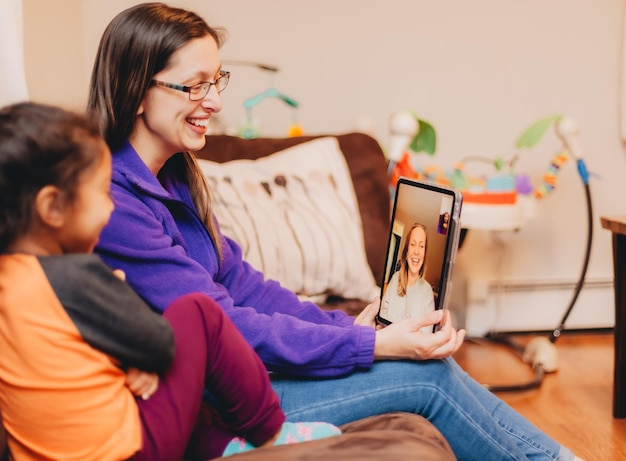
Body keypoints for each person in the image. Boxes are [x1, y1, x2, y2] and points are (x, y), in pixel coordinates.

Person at [88, 3, 583, 460]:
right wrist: (369, 346)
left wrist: (352, 330)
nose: (215, 101)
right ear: (137, 90)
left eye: (218, 80)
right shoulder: (112, 204)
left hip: (237, 380)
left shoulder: (174, 176)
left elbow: (246, 288)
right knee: (428, 382)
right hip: (211, 403)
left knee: (427, 370)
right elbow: (226, 326)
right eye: (195, 86)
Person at [0, 101, 340, 461]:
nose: (110, 208)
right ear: (52, 207)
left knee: (179, 399)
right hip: (130, 450)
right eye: (101, 194)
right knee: (199, 313)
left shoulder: (13, 283)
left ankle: (225, 448)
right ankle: (271, 433)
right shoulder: (72, 276)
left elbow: (63, 358)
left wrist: (128, 360)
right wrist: (139, 351)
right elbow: (159, 344)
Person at [379, 223, 435, 329]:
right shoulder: (395, 278)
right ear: (407, 251)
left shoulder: (427, 292)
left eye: (421, 246)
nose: (417, 251)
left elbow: (425, 335)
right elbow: (382, 315)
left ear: (425, 254)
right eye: (412, 244)